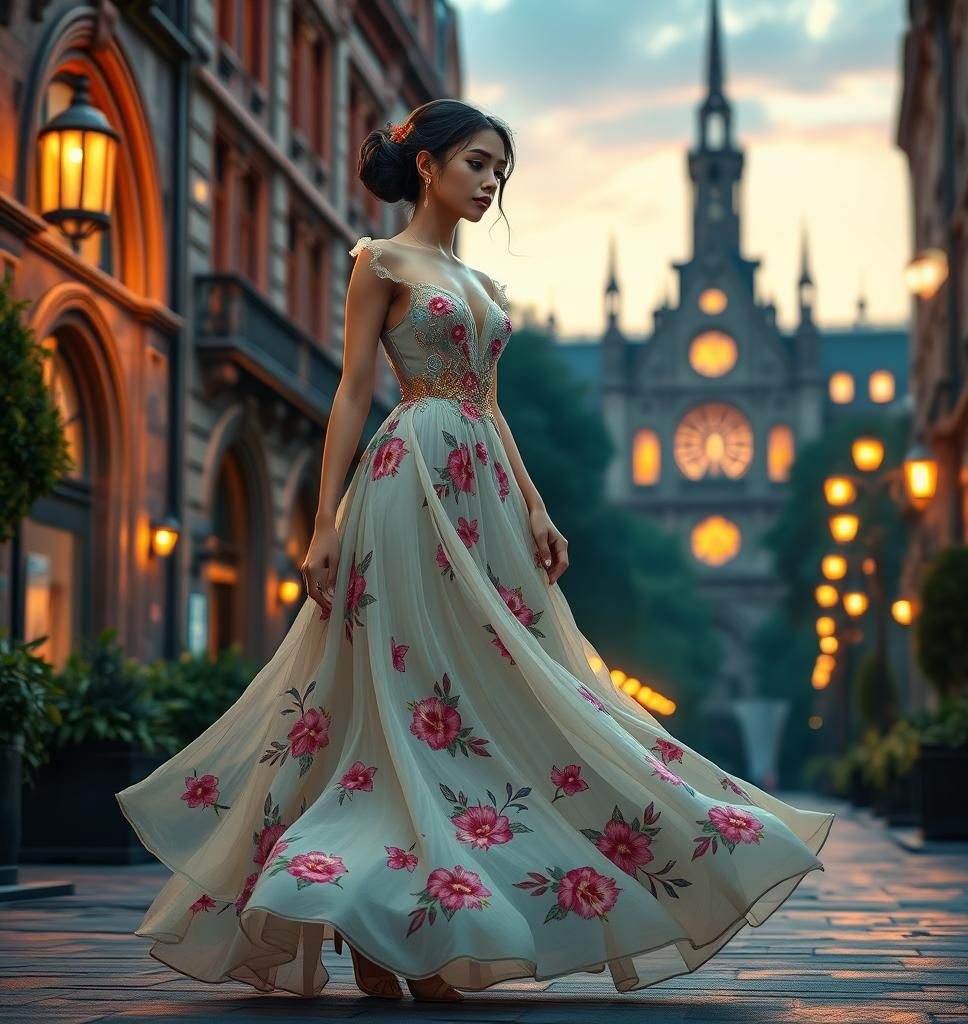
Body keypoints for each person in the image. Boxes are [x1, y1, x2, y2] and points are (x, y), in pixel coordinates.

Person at [116, 98, 835, 1004]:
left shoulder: (485, 289)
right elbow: (351, 393)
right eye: (478, 164)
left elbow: (490, 405)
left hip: (482, 493)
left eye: (501, 169)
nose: (492, 183)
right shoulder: (380, 262)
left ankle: (418, 922)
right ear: (427, 166)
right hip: (407, 480)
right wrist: (326, 521)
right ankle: (375, 924)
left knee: (499, 692)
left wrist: (536, 507)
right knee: (402, 697)